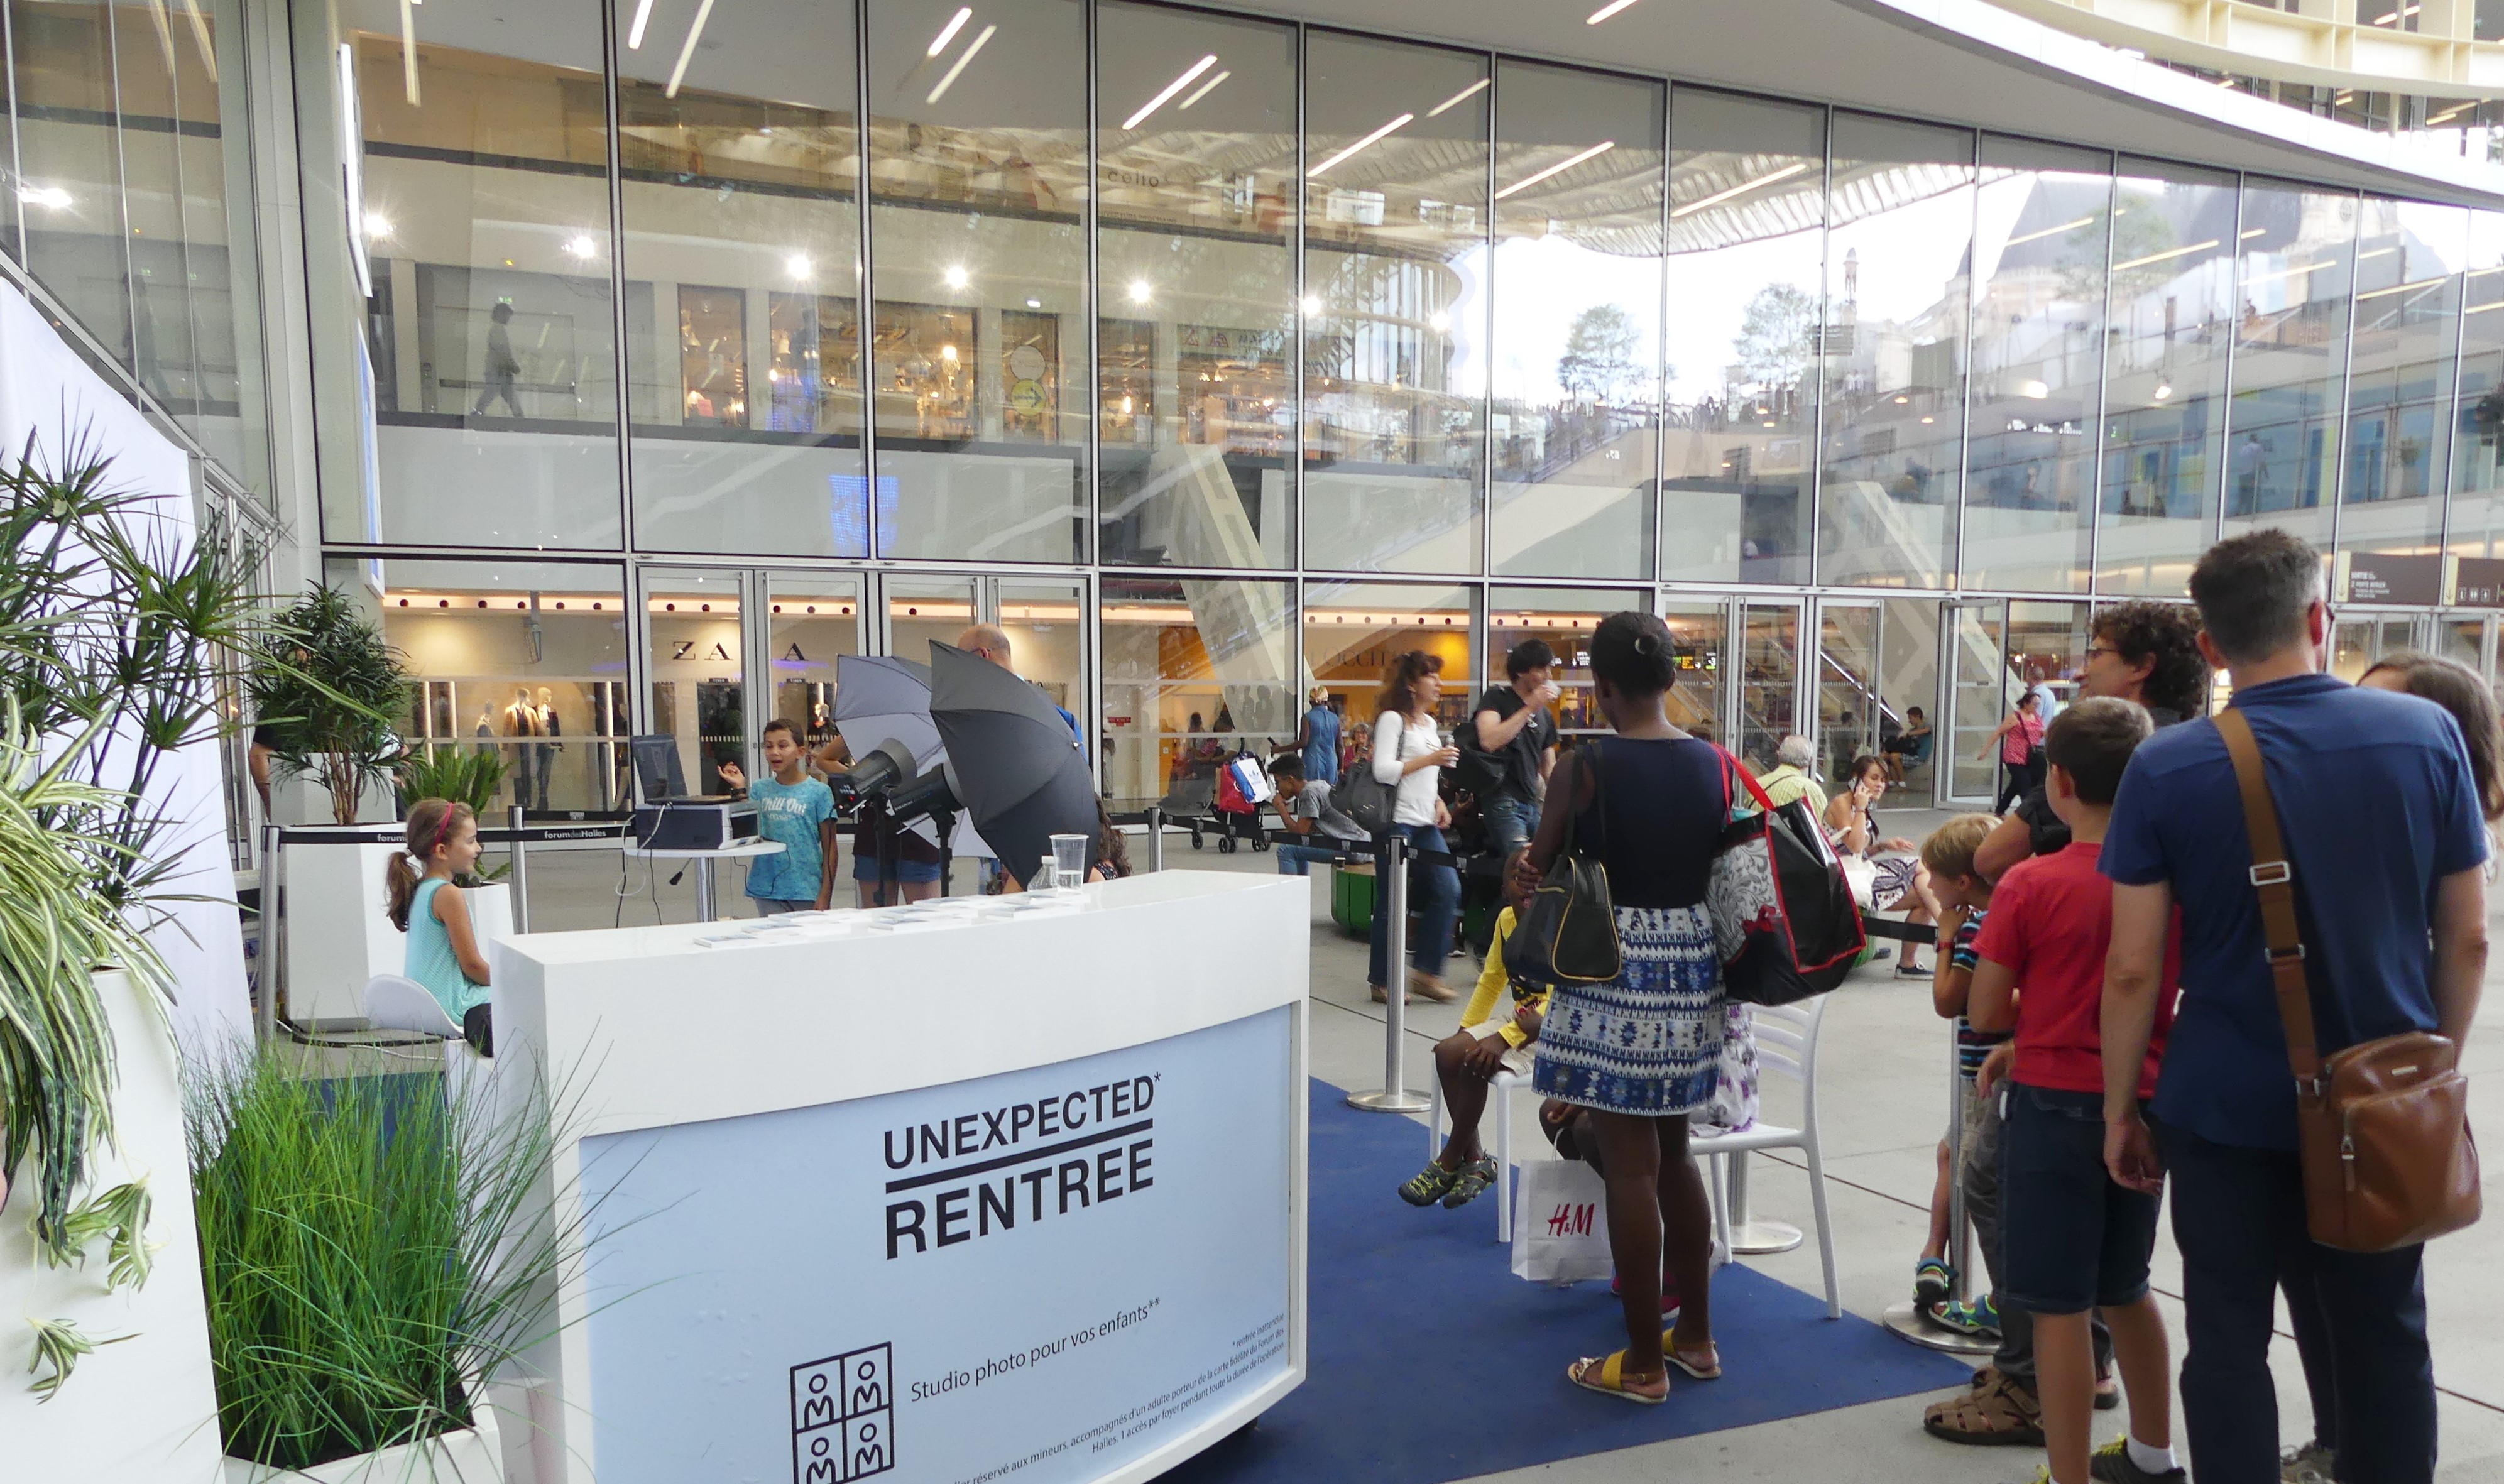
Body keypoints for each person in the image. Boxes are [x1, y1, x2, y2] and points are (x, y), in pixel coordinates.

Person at [2099, 530, 2488, 1484]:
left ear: (2209, 644)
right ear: (2321, 617)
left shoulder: (2167, 765)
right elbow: (2467, 937)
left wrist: (2119, 1110)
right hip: (2376, 1100)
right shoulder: (2425, 734)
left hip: (2221, 1104)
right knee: (2383, 1329)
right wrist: (2429, 1070)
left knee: (2227, 1336)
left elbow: (2134, 969)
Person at [1965, 697, 2182, 1484]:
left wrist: (2040, 1022)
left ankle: (2069, 1475)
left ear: (2056, 780)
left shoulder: (2029, 882)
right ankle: (2154, 1454)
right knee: (2127, 1288)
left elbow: (1984, 1008)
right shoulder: (2168, 882)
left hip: (2054, 1105)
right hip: (2143, 1101)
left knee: (2058, 1305)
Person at [1519, 611, 1727, 1404]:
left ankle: (1642, 1361)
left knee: (1630, 1168)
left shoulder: (1584, 766)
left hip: (1611, 966)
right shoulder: (1713, 761)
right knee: (1675, 1156)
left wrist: (1520, 870)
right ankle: (1695, 1336)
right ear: (1670, 678)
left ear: (1601, 686)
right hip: (1691, 966)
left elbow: (1540, 865)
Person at [1974, 601, 2209, 882]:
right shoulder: (2204, 753)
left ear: (2141, 667)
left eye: (2096, 655)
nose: (2079, 673)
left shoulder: (2100, 748)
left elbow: (1991, 859)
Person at [1400, 849, 1546, 1211]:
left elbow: (1562, 1002)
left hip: (1553, 1029)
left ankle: (1450, 1159)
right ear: (1504, 889)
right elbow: (1492, 980)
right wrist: (1468, 1031)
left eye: (1538, 878)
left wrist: (1501, 1039)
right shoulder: (1506, 920)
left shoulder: (1560, 925)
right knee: (1448, 1052)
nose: (1529, 885)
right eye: (1519, 877)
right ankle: (1477, 1160)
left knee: (1475, 1060)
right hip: (1521, 1022)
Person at [1905, 816, 2003, 1327]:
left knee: (1978, 1176)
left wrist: (1944, 937)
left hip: (1983, 1073)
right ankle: (1934, 1254)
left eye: (1933, 878)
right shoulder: (2000, 915)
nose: (1929, 887)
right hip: (1981, 1071)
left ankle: (2004, 1300)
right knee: (1951, 1153)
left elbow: (1947, 1001)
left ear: (1961, 883)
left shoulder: (1974, 928)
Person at [1367, 652, 1462, 1005]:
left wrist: (1438, 802)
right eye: (1431, 676)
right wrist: (1432, 759)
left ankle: (1427, 973)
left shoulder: (1430, 725)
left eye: (1438, 676)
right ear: (1411, 683)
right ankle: (1382, 980)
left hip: (1424, 822)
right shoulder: (1393, 720)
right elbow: (1383, 771)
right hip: (1396, 822)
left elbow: (1424, 776)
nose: (1438, 683)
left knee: (1448, 889)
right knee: (1393, 900)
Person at [385, 798, 495, 1054]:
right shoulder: (448, 894)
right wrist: (510, 980)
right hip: (453, 1005)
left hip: (429, 1001)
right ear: (442, 851)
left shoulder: (422, 889)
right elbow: (473, 966)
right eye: (470, 841)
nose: (478, 848)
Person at [1823, 753, 1932, 976]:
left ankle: (1911, 960)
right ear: (1856, 778)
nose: (1880, 784)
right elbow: (1854, 846)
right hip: (1843, 879)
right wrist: (1860, 809)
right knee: (1922, 878)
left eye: (1883, 780)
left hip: (1857, 870)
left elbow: (1856, 852)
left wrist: (1883, 846)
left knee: (1925, 890)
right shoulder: (1842, 803)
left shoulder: (1860, 805)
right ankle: (1948, 929)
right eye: (1874, 778)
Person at [719, 719, 838, 915]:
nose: (775, 752)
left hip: (805, 889)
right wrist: (740, 788)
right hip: (766, 888)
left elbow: (830, 848)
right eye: (769, 746)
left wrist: (825, 894)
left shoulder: (820, 792)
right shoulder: (759, 789)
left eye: (783, 746)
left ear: (800, 752)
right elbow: (747, 829)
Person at [1469, 640, 1561, 854]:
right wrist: (1529, 708)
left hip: (1532, 802)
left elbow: (1548, 766)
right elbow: (1489, 741)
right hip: (1503, 799)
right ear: (1521, 671)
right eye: (1541, 669)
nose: (1548, 676)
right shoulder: (1497, 698)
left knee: (1546, 860)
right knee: (1520, 861)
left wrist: (1560, 804)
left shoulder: (1544, 714)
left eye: (1549, 669)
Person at [960, 624, 1083, 758]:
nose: (960, 671)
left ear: (983, 654)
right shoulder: (1062, 721)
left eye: (962, 659)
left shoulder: (981, 719)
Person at [1268, 755, 1363, 876]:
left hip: (1352, 849)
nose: (1277, 788)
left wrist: (1281, 808)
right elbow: (1306, 833)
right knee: (1299, 844)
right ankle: (1300, 885)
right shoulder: (1317, 785)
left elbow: (1300, 832)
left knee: (1286, 850)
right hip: (1358, 845)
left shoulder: (1308, 793)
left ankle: (1293, 889)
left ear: (1290, 780)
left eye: (1277, 782)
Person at [1982, 690, 2045, 814]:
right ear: (2026, 703)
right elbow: (1999, 732)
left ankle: (2000, 811)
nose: (2036, 707)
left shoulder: (2036, 717)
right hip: (2015, 757)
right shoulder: (2015, 717)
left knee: (2015, 786)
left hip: (2030, 756)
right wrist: (1986, 750)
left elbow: (2040, 732)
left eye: (2038, 704)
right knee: (2025, 786)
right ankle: (2030, 814)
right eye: (2034, 704)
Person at [1276, 685, 1342, 787]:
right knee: (1330, 793)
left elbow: (1303, 742)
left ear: (1311, 702)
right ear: (1326, 701)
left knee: (1312, 792)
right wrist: (1341, 767)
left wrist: (1280, 749)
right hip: (1331, 764)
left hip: (1312, 763)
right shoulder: (1335, 719)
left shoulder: (1307, 717)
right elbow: (1340, 746)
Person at [1754, 733, 1827, 814]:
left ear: (1779, 755)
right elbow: (1820, 821)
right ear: (1810, 762)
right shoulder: (1812, 791)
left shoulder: (1756, 785)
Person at [474, 302, 523, 417]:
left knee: (510, 399)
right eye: (507, 315)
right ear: (500, 314)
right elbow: (501, 352)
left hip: (502, 372)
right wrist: (513, 366)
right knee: (491, 394)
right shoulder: (497, 329)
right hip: (498, 372)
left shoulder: (498, 329)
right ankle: (476, 415)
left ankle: (521, 419)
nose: (508, 318)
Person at [1884, 706, 1932, 783]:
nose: (1909, 721)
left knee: (1894, 757)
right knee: (1886, 756)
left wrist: (1910, 734)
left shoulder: (1926, 726)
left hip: (1919, 757)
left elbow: (1927, 730)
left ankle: (1902, 781)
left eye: (1910, 718)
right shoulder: (1912, 730)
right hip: (1911, 754)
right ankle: (1891, 781)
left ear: (1917, 716)